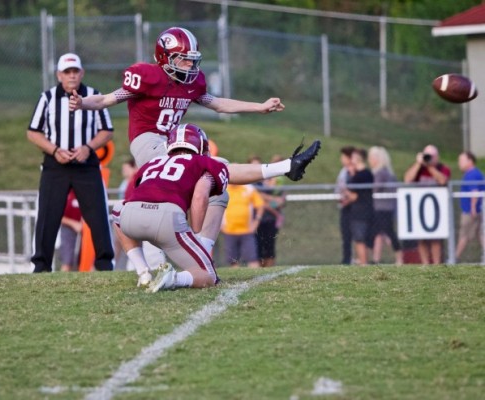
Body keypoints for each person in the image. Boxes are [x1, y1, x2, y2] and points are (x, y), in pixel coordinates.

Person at [69, 27, 320, 281]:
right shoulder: (146, 76)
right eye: (183, 58)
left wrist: (260, 107)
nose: (190, 64)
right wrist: (82, 104)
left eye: (192, 58)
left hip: (172, 143)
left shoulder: (194, 82)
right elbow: (106, 100)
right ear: (164, 57)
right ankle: (286, 167)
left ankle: (203, 248)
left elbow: (219, 104)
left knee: (217, 187)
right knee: (214, 166)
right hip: (147, 140)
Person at [112, 123, 229, 292]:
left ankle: (143, 271)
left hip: (131, 217)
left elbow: (136, 194)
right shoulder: (203, 161)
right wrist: (195, 233)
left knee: (118, 210)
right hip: (166, 220)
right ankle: (174, 278)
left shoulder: (153, 162)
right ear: (201, 146)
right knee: (208, 275)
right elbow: (199, 196)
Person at [27, 53, 114, 272]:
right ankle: (41, 266)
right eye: (67, 72)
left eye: (75, 71)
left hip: (86, 164)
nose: (72, 76)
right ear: (59, 75)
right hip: (56, 165)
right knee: (48, 213)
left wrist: (88, 148)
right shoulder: (47, 98)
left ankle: (104, 264)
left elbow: (107, 131)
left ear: (82, 73)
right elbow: (33, 132)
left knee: (97, 214)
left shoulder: (94, 96)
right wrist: (54, 150)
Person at [403, 144, 451, 264]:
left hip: (436, 207)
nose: (429, 158)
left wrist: (430, 167)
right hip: (420, 208)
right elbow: (407, 180)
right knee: (421, 238)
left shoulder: (442, 168)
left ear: (437, 157)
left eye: (432, 156)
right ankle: (425, 264)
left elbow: (443, 180)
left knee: (436, 238)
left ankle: (436, 264)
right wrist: (419, 163)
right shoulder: (419, 169)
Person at [368, 146, 403, 265]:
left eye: (371, 158)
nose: (370, 160)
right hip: (383, 207)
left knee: (389, 233)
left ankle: (399, 256)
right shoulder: (386, 172)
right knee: (378, 233)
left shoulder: (380, 173)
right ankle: (376, 259)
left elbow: (375, 188)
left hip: (383, 208)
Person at [250, 155, 286, 267]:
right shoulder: (250, 184)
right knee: (258, 248)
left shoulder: (272, 182)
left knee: (270, 247)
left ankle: (269, 270)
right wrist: (271, 201)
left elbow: (281, 201)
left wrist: (273, 203)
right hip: (257, 219)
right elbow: (257, 196)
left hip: (270, 219)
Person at [221, 181, 265, 268]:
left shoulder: (248, 189)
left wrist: (256, 221)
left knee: (252, 259)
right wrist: (219, 225)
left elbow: (260, 205)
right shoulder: (222, 190)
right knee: (233, 261)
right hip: (229, 230)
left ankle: (256, 277)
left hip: (247, 231)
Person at [342, 148, 374, 266]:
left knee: (359, 238)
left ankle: (363, 262)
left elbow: (355, 196)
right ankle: (364, 261)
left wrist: (346, 192)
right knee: (363, 238)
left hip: (360, 210)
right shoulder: (367, 173)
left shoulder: (361, 175)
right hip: (366, 208)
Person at [455, 151, 485, 261]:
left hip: (470, 211)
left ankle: (454, 258)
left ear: (470, 161)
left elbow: (475, 192)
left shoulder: (472, 174)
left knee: (464, 235)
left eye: (462, 160)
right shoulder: (473, 173)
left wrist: (472, 208)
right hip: (474, 210)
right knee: (480, 234)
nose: (459, 163)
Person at [336, 146, 355, 264]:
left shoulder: (354, 171)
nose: (341, 159)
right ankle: (346, 259)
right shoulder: (343, 171)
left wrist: (347, 199)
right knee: (345, 235)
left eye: (343, 156)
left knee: (358, 235)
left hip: (353, 207)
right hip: (344, 206)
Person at [58, 189, 83, 272]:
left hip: (84, 230)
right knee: (68, 261)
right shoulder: (66, 193)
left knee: (83, 260)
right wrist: (74, 224)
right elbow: (58, 216)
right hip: (68, 229)